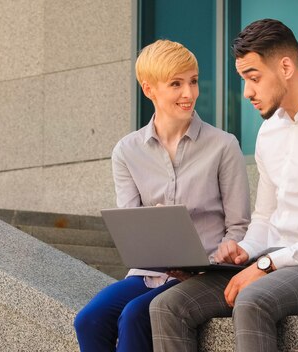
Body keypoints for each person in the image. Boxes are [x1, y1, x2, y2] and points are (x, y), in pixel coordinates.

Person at [150, 19, 298, 351]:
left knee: (253, 300)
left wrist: (266, 264)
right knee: (168, 306)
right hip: (270, 263)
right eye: (244, 79)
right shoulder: (270, 133)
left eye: (253, 78)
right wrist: (245, 250)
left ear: (285, 66)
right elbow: (265, 218)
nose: (247, 92)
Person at [73, 39, 250, 352]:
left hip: (205, 274)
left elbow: (239, 227)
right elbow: (130, 226)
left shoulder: (223, 146)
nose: (189, 94)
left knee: (134, 316)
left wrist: (222, 253)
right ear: (149, 89)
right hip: (148, 273)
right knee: (89, 319)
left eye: (193, 82)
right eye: (176, 84)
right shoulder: (127, 151)